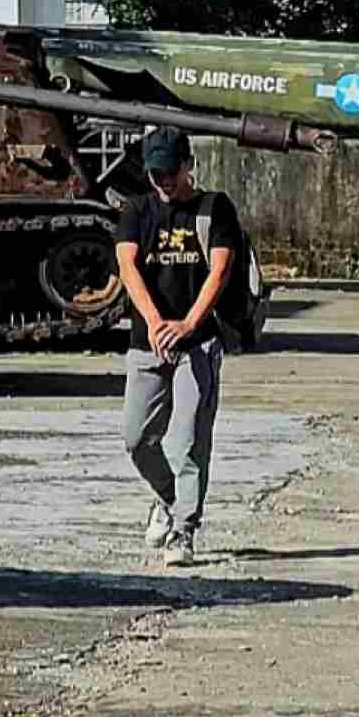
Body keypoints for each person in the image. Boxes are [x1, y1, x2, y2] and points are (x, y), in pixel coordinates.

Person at [116, 126, 241, 569]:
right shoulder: (137, 210)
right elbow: (127, 266)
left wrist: (188, 324)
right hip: (147, 342)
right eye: (156, 173)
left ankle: (184, 530)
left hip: (198, 344)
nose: (164, 181)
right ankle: (167, 499)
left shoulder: (214, 208)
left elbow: (220, 271)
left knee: (187, 439)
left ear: (188, 165)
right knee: (136, 438)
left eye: (171, 172)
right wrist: (154, 322)